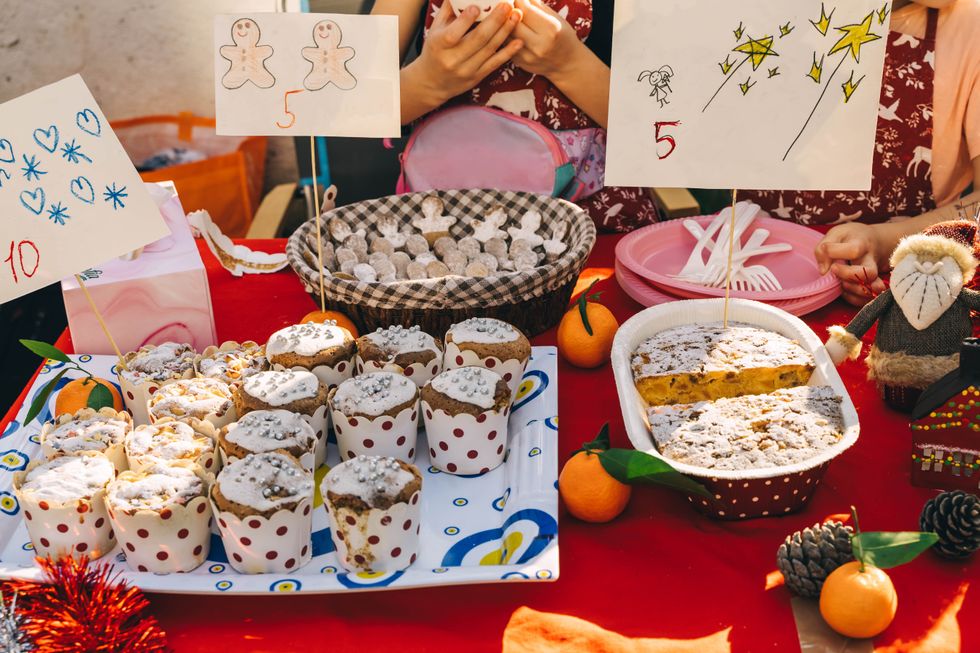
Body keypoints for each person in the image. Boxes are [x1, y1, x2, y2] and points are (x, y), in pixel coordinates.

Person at [741, 0, 980, 306]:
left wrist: (886, 241)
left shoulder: (970, 26)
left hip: (903, 286)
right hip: (751, 269)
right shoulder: (769, 11)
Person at [372, 0, 660, 232]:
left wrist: (570, 65)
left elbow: (662, 131)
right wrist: (426, 82)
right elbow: (358, 103)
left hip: (596, 230)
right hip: (443, 233)